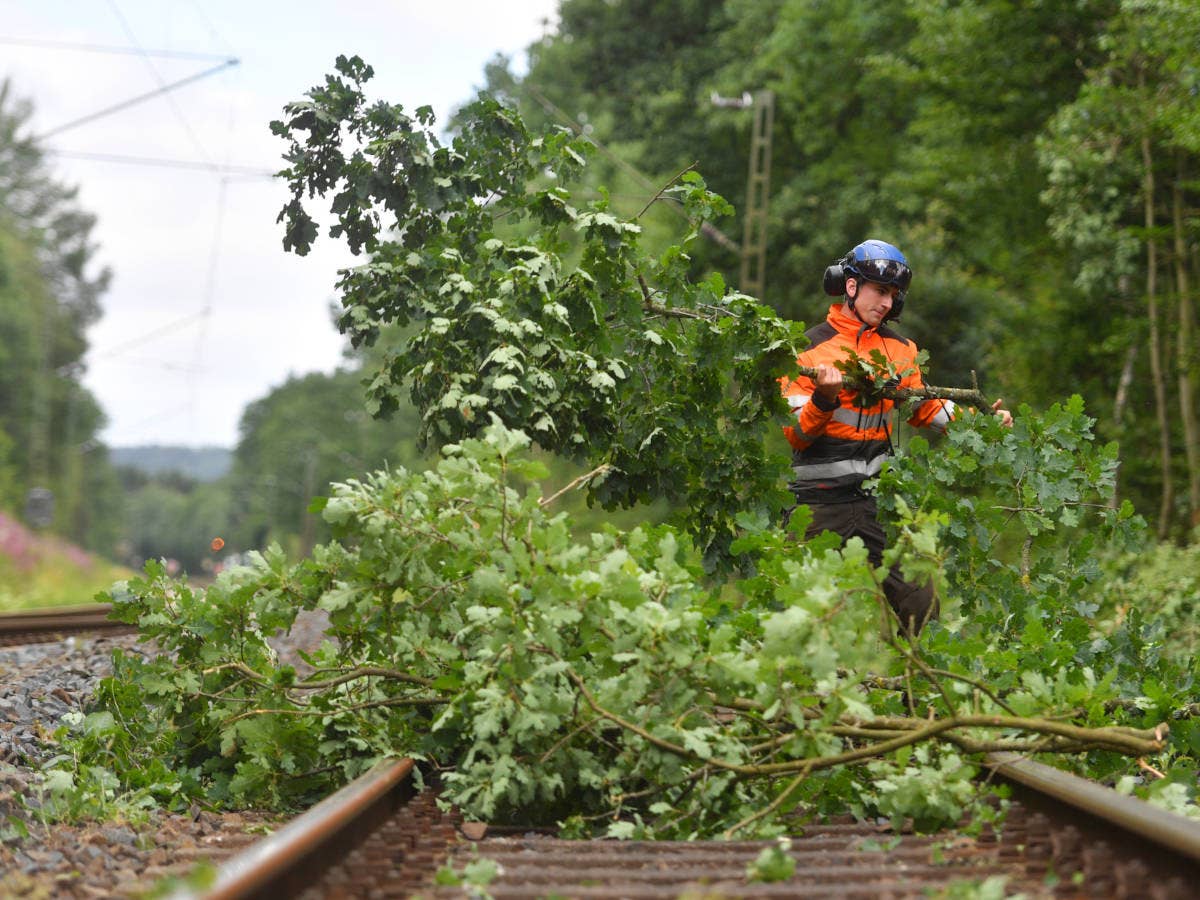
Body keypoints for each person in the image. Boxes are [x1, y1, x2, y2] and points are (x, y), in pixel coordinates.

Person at [778, 239, 1013, 634]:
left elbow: (926, 408)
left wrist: (982, 425)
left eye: (893, 295)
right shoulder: (805, 351)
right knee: (806, 619)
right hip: (817, 505)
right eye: (879, 291)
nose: (886, 303)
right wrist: (824, 398)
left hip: (877, 503)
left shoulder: (901, 351)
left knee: (921, 604)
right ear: (850, 287)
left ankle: (915, 690)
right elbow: (798, 436)